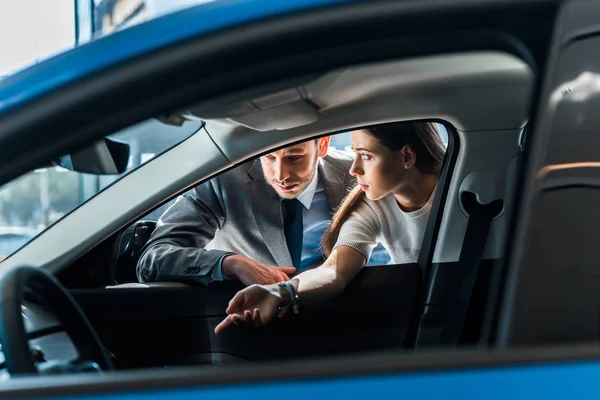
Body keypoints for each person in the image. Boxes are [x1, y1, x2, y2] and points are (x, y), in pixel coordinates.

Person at [214, 121, 446, 334]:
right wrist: (281, 292)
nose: (354, 170)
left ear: (406, 156)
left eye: (365, 156)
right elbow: (335, 270)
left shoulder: (466, 187)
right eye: (355, 154)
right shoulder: (372, 204)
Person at [136, 136, 360, 286]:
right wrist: (229, 263)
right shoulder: (223, 180)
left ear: (321, 145)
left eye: (294, 157)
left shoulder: (355, 172)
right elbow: (153, 259)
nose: (281, 174)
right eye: (269, 157)